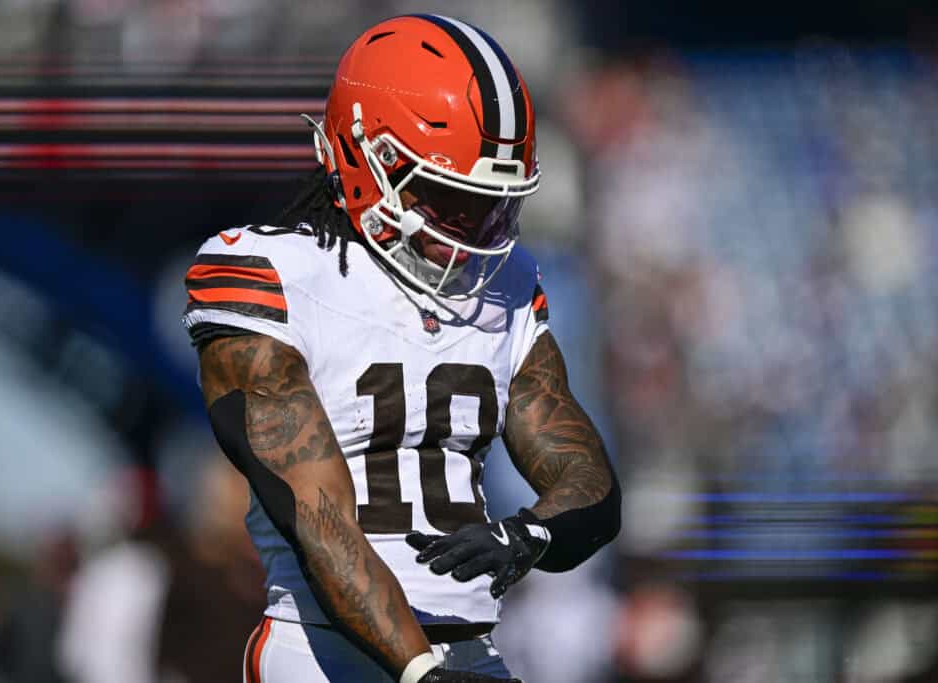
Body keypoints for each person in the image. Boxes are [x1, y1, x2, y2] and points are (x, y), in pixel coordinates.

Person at [183, 14, 621, 683]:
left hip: (470, 652)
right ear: (368, 157)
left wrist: (529, 533)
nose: (472, 232)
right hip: (325, 654)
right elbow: (318, 518)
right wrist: (420, 671)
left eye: (490, 205)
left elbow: (587, 480)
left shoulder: (502, 285)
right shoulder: (275, 274)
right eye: (450, 199)